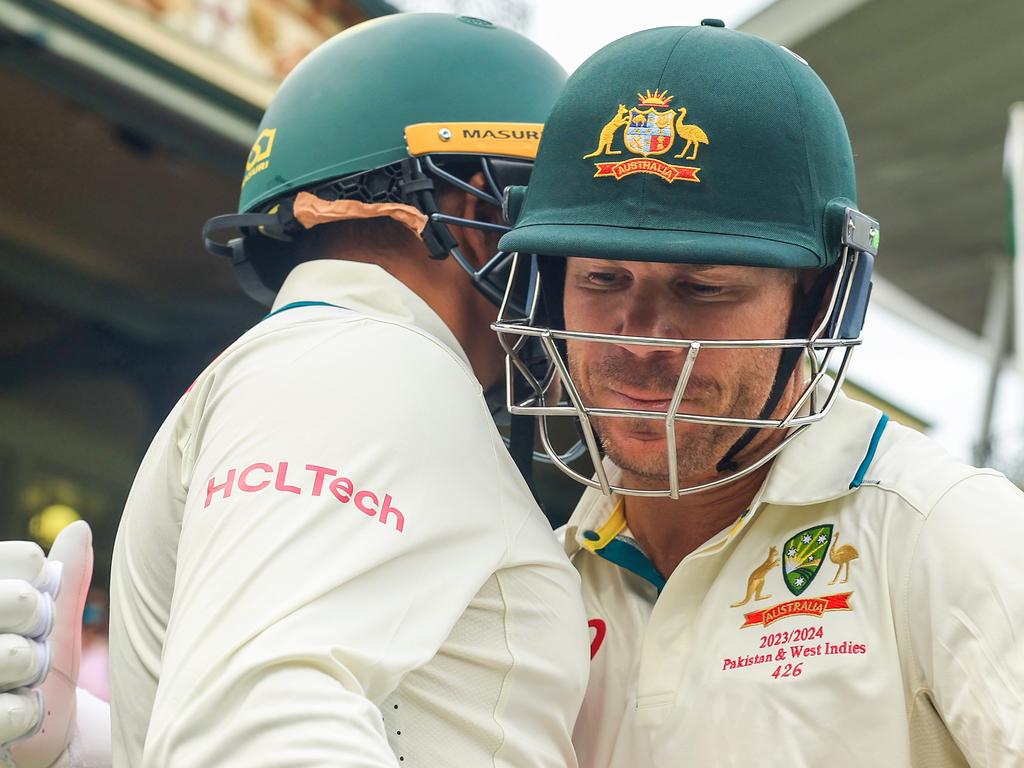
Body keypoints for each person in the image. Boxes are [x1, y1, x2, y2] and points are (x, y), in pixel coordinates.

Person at [0, 13, 588, 768]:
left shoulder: (314, 361)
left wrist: (86, 747)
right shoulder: (370, 363)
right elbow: (256, 732)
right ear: (481, 212)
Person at [492, 20, 1024, 767]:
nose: (641, 339)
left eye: (703, 288)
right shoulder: (538, 579)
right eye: (602, 280)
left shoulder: (938, 531)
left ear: (816, 302)